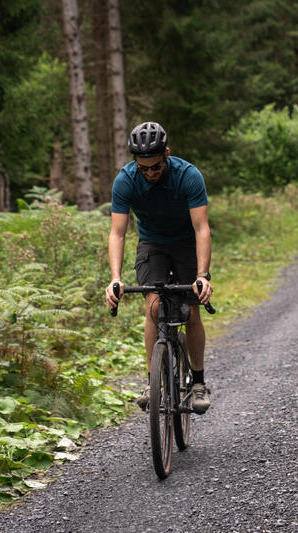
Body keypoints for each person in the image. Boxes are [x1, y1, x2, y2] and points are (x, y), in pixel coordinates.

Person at [105, 121, 213, 413]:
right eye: (143, 168)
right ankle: (152, 381)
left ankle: (198, 382)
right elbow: (118, 233)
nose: (150, 173)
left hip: (186, 243)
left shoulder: (188, 175)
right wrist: (115, 278)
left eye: (155, 166)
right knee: (153, 307)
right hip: (152, 245)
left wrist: (202, 276)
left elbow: (202, 228)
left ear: (166, 154)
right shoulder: (126, 181)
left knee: (191, 312)